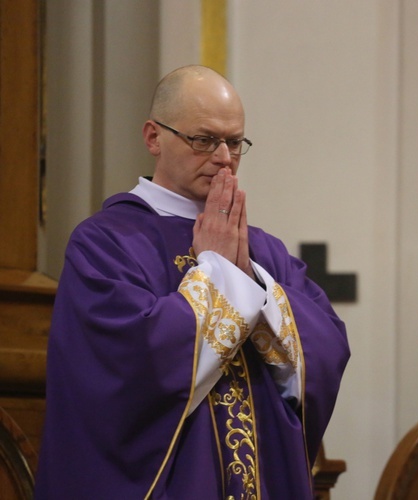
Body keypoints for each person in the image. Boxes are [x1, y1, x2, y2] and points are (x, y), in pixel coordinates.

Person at [34, 65, 350, 499]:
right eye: (204, 140)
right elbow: (126, 367)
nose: (223, 157)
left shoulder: (265, 251)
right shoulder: (106, 243)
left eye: (235, 142)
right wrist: (219, 274)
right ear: (153, 137)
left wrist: (252, 280)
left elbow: (328, 347)